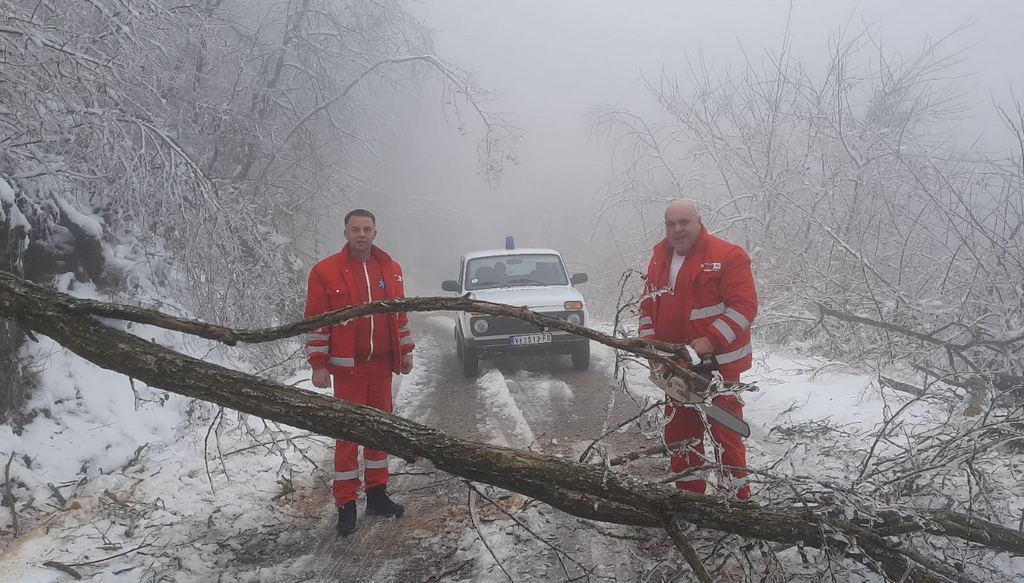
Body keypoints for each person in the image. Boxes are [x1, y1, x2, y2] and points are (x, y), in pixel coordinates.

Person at [304, 209, 415, 536]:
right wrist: (319, 364)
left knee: (380, 432)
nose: (362, 234)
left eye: (367, 229)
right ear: (346, 233)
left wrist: (406, 352)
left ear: (375, 232)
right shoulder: (325, 271)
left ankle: (378, 496)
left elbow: (400, 316)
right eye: (356, 229)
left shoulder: (391, 269)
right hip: (347, 370)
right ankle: (346, 506)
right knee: (349, 436)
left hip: (382, 366)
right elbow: (316, 321)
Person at [638, 199, 758, 500]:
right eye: (671, 224)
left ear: (698, 222)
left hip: (717, 368)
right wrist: (654, 351)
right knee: (680, 438)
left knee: (726, 438)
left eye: (684, 222)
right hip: (676, 368)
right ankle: (689, 499)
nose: (677, 229)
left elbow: (745, 307)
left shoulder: (727, 256)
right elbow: (646, 307)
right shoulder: (659, 260)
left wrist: (710, 340)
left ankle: (736, 502)